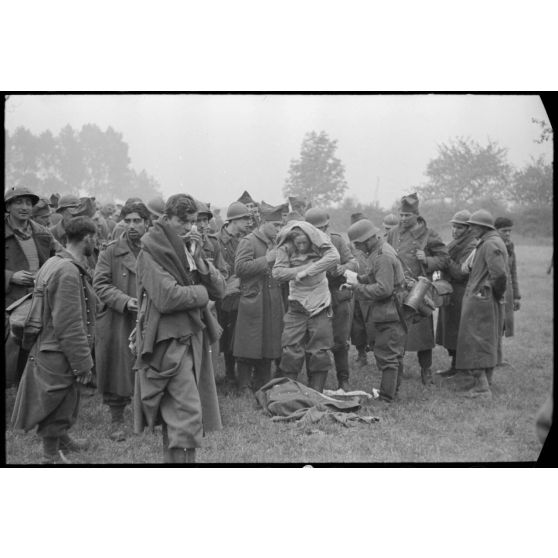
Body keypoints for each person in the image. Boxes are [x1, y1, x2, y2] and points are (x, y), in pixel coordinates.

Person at [134, 194, 225, 463]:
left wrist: (199, 261)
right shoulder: (150, 252)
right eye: (182, 221)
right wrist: (200, 293)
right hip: (167, 342)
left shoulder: (187, 249)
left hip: (193, 339)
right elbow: (167, 297)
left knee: (179, 414)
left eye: (193, 222)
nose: (189, 228)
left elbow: (219, 290)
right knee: (185, 413)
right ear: (166, 219)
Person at [11, 216, 99, 464]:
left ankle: (62, 439)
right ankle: (50, 456)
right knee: (58, 402)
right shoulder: (68, 271)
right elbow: (69, 324)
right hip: (59, 349)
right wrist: (83, 363)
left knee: (65, 397)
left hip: (49, 346)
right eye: (95, 238)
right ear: (88, 238)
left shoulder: (54, 262)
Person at [93, 202, 151, 441]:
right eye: (127, 221)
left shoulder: (156, 249)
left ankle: (149, 413)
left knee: (151, 363)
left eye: (137, 221)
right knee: (118, 366)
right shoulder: (111, 251)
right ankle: (117, 418)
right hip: (121, 318)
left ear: (148, 222)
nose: (132, 226)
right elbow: (100, 284)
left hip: (152, 316)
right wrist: (125, 301)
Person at [386, 193, 449, 385]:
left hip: (420, 290)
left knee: (423, 335)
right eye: (401, 215)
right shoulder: (393, 233)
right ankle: (398, 369)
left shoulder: (429, 234)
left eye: (407, 216)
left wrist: (427, 260)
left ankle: (426, 371)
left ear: (416, 215)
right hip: (398, 289)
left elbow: (444, 258)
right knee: (397, 332)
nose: (403, 219)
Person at [272, 221, 340, 393]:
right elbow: (278, 273)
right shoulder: (285, 247)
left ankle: (316, 391)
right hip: (297, 303)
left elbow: (334, 258)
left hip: (320, 302)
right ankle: (289, 392)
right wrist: (302, 269)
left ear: (311, 240)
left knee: (320, 348)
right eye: (298, 244)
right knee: (290, 346)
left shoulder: (321, 243)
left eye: (304, 243)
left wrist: (308, 271)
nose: (301, 247)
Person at [346, 219, 407, 403]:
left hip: (389, 310)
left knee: (387, 353)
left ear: (369, 240)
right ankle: (392, 392)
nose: (357, 247)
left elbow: (384, 289)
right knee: (393, 352)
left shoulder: (382, 256)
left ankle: (387, 397)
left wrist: (357, 288)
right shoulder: (380, 250)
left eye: (358, 243)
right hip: (389, 309)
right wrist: (360, 278)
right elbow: (375, 276)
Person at [5, 186, 58, 386]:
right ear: (8, 206)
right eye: (18, 202)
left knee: (35, 349)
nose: (24, 207)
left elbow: (59, 257)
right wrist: (11, 276)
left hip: (38, 299)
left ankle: (29, 389)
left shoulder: (42, 233)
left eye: (28, 203)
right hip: (10, 302)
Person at [455, 210, 508, 399]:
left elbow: (499, 275)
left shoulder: (490, 244)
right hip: (483, 297)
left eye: (474, 226)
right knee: (485, 340)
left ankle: (482, 388)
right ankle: (486, 382)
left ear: (483, 227)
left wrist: (492, 293)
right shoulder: (489, 242)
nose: (471, 229)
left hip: (481, 300)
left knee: (476, 341)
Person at [233, 206, 285, 394]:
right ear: (263, 223)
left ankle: (263, 382)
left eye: (281, 225)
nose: (279, 229)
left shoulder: (277, 242)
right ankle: (244, 385)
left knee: (270, 343)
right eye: (276, 225)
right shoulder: (248, 241)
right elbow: (240, 268)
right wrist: (267, 259)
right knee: (249, 343)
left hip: (272, 300)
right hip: (253, 301)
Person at [305, 207, 358, 391]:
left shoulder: (336, 239)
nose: (321, 232)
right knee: (314, 340)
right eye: (316, 228)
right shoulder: (301, 244)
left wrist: (343, 268)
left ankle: (343, 380)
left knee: (340, 341)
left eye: (324, 227)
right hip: (314, 297)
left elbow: (353, 262)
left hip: (337, 296)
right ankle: (314, 382)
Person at [434, 210, 478, 378]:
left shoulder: (471, 245)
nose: (455, 230)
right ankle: (455, 366)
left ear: (469, 229)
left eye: (459, 227)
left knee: (459, 332)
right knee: (450, 331)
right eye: (454, 226)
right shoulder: (456, 242)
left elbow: (461, 272)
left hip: (462, 293)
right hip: (450, 291)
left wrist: (445, 261)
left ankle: (463, 368)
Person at [216, 201, 253, 386]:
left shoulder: (244, 240)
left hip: (240, 295)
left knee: (238, 336)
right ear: (233, 220)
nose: (248, 222)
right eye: (244, 218)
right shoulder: (216, 241)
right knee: (225, 336)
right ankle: (230, 375)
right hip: (221, 297)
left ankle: (239, 375)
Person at [494, 217, 521, 364]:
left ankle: (499, 358)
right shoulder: (490, 246)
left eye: (510, 231)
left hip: (507, 291)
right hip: (494, 290)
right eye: (504, 231)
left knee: (502, 324)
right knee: (494, 324)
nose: (508, 234)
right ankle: (494, 358)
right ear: (495, 230)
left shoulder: (510, 246)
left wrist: (516, 296)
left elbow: (513, 272)